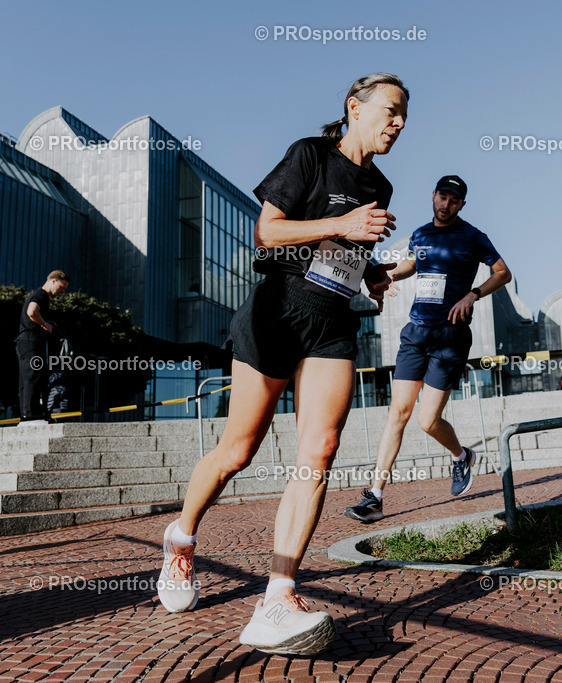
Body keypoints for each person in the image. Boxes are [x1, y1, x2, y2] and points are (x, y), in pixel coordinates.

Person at [155, 73, 408, 656]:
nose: (398, 123)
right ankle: (181, 539)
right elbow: (267, 232)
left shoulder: (382, 185)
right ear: (355, 108)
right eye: (390, 111)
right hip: (278, 311)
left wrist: (367, 270)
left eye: (403, 116)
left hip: (333, 321)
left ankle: (277, 595)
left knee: (319, 449)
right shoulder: (309, 155)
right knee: (236, 453)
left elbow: (344, 252)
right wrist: (342, 225)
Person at [344, 175, 511, 523]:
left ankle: (461, 455)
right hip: (416, 334)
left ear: (462, 204)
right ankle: (375, 496)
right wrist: (391, 276)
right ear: (433, 196)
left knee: (427, 420)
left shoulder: (473, 237)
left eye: (453, 200)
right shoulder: (420, 234)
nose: (446, 205)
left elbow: (502, 273)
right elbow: (413, 264)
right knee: (398, 415)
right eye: (442, 197)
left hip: (449, 338)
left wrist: (473, 294)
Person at [15, 270, 69, 424]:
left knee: (27, 379)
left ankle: (28, 415)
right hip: (30, 341)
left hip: (26, 341)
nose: (62, 291)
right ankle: (31, 416)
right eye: (61, 287)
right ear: (53, 281)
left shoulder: (39, 295)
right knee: (33, 377)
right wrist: (45, 324)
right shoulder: (41, 295)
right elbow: (32, 311)